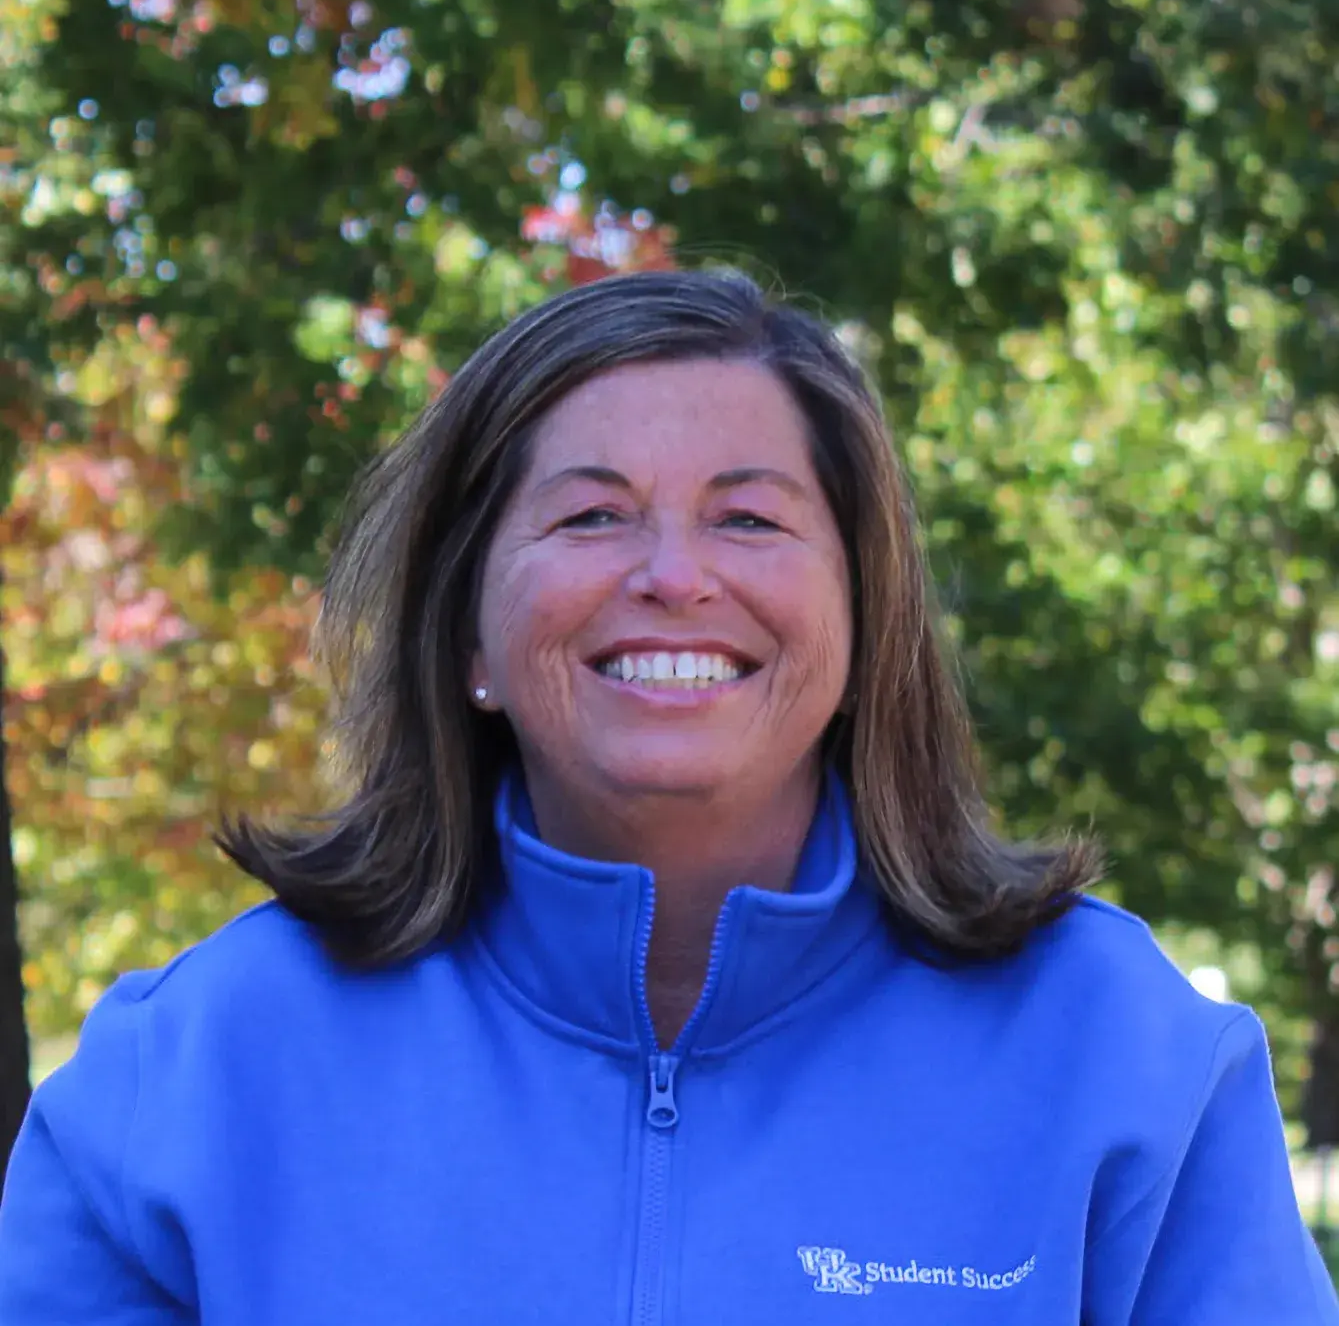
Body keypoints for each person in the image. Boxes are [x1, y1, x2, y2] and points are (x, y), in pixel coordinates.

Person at [0, 269, 1333, 1325]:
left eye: (748, 519)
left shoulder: (1125, 1062)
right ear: (466, 633)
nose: (673, 576)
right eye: (590, 518)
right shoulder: (186, 1081)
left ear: (863, 617)